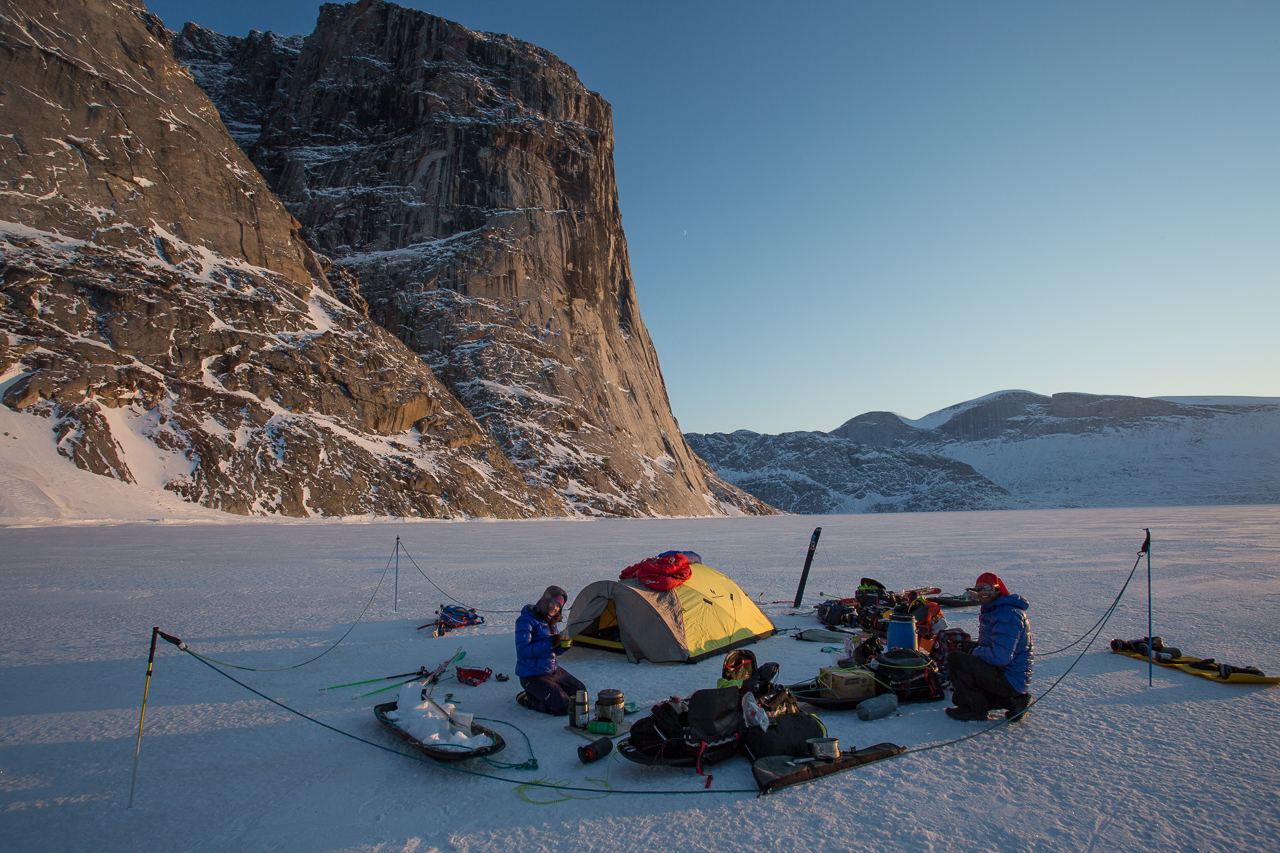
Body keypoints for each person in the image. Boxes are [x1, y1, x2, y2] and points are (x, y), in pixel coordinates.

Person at [945, 572, 1033, 722]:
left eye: (987, 588)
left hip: (1009, 678)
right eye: (978, 589)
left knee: (956, 659)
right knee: (958, 698)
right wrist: (973, 648)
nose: (982, 593)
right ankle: (1014, 701)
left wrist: (974, 651)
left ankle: (974, 709)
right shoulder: (996, 609)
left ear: (998, 589)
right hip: (1009, 675)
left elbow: (1001, 656)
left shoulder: (1007, 614)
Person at [514, 585, 585, 715]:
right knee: (564, 707)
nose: (555, 608)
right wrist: (550, 642)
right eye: (553, 603)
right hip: (532, 675)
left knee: (580, 693)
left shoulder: (550, 621)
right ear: (545, 601)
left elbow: (552, 651)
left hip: (552, 671)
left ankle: (545, 692)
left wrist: (562, 647)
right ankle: (527, 698)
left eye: (558, 606)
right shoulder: (526, 621)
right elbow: (523, 652)